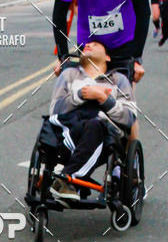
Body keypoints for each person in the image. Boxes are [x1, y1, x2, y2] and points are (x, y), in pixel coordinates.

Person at [47, 40, 136, 201]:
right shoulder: (69, 75)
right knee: (86, 124)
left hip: (103, 133)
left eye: (96, 44)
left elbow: (129, 117)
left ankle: (67, 178)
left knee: (96, 125)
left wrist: (103, 98)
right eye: (86, 44)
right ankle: (70, 179)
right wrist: (80, 95)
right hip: (70, 130)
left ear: (107, 57)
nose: (88, 45)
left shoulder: (118, 80)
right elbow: (55, 110)